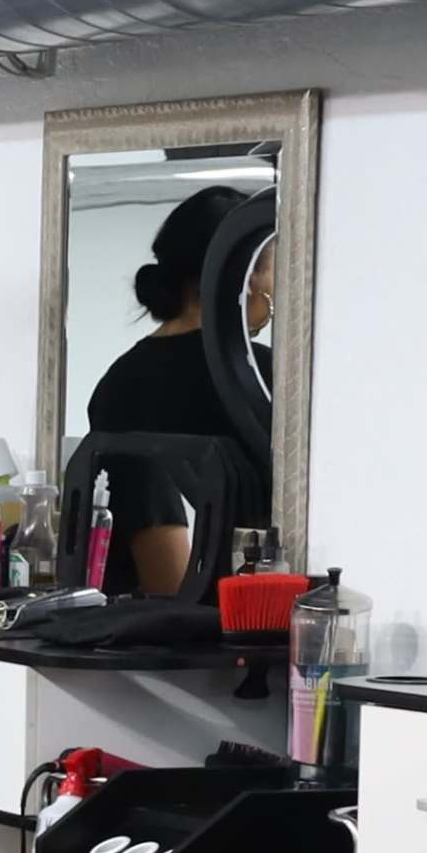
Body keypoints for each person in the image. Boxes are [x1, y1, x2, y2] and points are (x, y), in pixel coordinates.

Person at [83, 182, 278, 595]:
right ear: (242, 273)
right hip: (224, 614)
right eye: (273, 269)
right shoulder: (258, 373)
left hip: (149, 618)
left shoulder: (116, 382)